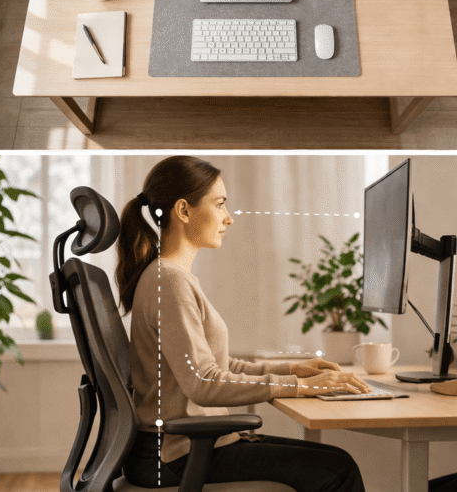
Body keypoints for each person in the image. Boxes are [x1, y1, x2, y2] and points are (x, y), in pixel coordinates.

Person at [118, 155, 371, 491]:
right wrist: (307, 388)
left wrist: (294, 370)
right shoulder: (170, 282)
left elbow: (217, 366)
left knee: (338, 463)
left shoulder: (172, 278)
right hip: (175, 456)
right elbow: (203, 383)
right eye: (220, 204)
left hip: (185, 447)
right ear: (183, 210)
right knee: (337, 470)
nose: (229, 218)